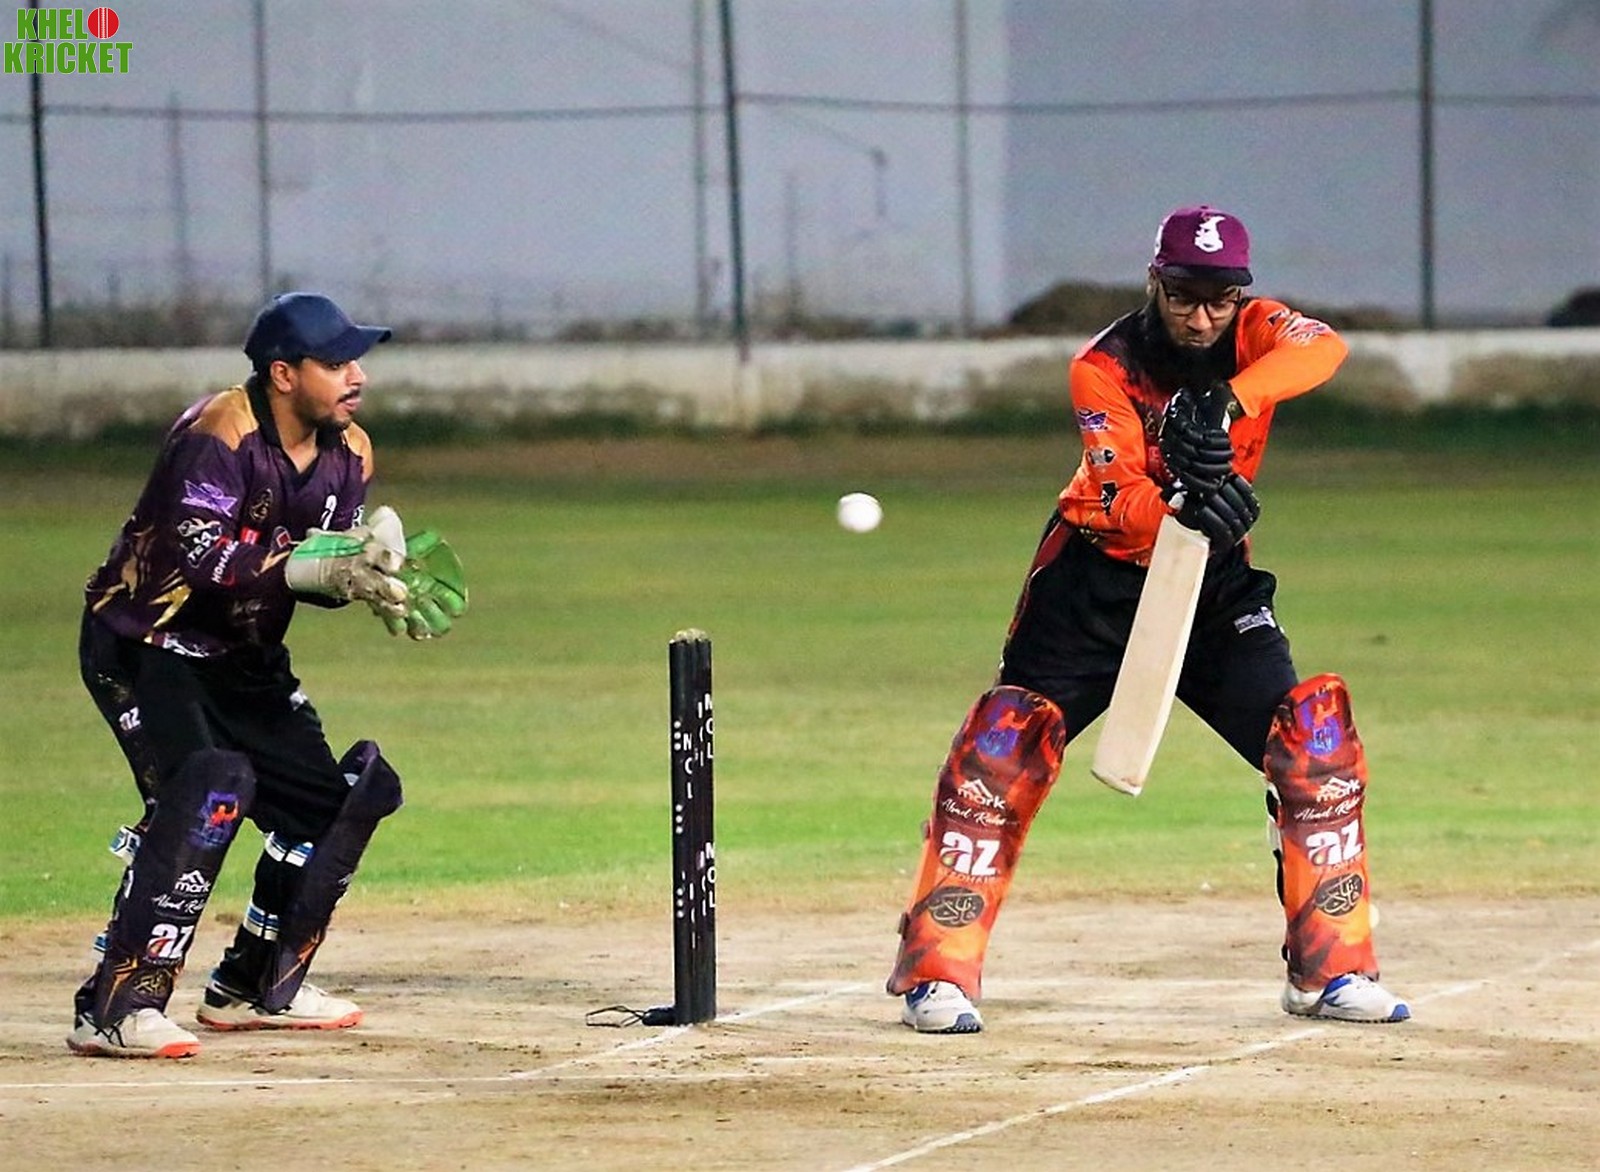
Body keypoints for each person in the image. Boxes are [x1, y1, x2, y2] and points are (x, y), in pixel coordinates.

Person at [887, 206, 1409, 1033]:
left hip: (1212, 584)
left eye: (1220, 299)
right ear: (1154, 283)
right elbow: (1113, 494)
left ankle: (1330, 970)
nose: (1201, 318)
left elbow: (1324, 349)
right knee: (1002, 754)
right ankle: (936, 975)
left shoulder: (1258, 332)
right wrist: (1179, 503)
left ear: (1242, 294)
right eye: (1183, 296)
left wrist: (1227, 405)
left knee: (1313, 746)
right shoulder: (1105, 366)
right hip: (1094, 584)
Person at [69, 292, 467, 1058]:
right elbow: (202, 558)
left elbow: (303, 574)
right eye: (336, 362)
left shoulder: (351, 452)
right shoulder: (218, 432)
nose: (356, 376)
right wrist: (318, 565)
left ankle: (252, 984)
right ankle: (116, 1005)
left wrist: (364, 576)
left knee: (332, 808)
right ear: (283, 374)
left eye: (357, 362)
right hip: (146, 644)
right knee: (208, 790)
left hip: (244, 658)